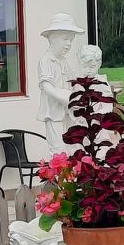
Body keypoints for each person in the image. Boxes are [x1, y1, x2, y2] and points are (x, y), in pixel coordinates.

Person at [37, 13, 85, 153]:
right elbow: (47, 87)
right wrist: (67, 98)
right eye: (65, 39)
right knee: (57, 150)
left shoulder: (64, 61)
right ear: (52, 38)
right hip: (53, 112)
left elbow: (74, 81)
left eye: (71, 39)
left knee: (73, 147)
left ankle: (73, 174)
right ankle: (58, 174)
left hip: (68, 112)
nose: (69, 44)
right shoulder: (45, 61)